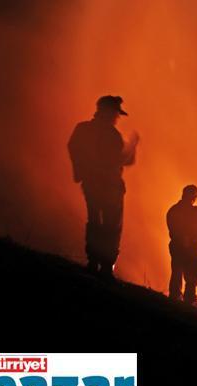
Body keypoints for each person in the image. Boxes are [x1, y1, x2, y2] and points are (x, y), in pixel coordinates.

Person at [67, 95, 139, 279]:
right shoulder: (112, 136)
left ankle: (93, 261)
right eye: (116, 113)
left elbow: (73, 147)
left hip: (91, 184)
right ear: (108, 112)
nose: (117, 117)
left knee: (94, 221)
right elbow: (124, 159)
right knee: (111, 226)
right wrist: (132, 145)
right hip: (110, 187)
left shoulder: (83, 129)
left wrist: (80, 172)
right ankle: (106, 266)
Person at [166, 185, 197, 303]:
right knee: (192, 276)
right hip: (191, 248)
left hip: (176, 246)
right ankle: (189, 300)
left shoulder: (173, 210)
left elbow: (172, 228)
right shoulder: (196, 213)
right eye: (196, 196)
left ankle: (174, 298)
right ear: (193, 197)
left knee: (177, 271)